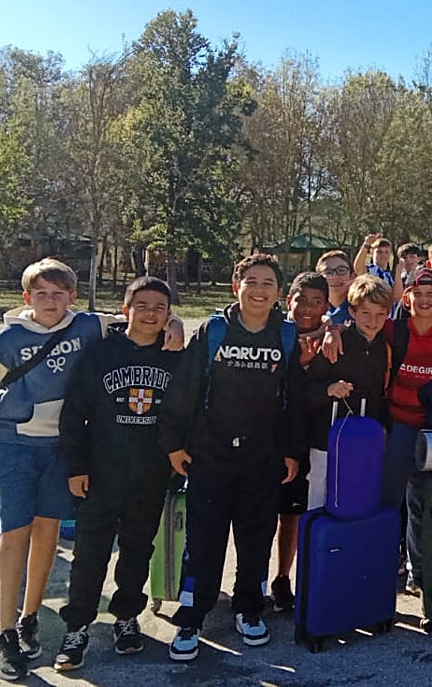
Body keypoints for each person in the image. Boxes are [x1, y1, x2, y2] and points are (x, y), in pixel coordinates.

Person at [0, 258, 184, 680]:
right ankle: (9, 629)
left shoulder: (89, 327)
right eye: (41, 294)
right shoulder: (8, 341)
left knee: (50, 531)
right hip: (18, 443)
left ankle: (31, 616)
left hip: (64, 449)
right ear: (27, 298)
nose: (51, 302)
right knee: (18, 532)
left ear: (73, 297)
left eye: (59, 294)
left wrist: (177, 322)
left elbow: (144, 311)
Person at [159, 254, 304, 661]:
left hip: (263, 458)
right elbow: (185, 389)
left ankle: (249, 608)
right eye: (251, 281)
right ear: (235, 285)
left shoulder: (286, 336)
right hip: (211, 456)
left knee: (256, 538)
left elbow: (292, 402)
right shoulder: (213, 330)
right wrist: (174, 443)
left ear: (279, 292)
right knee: (204, 539)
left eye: (268, 283)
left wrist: (291, 452)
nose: (259, 290)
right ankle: (193, 614)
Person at [52, 276, 182, 671]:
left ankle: (127, 617)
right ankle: (77, 627)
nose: (150, 314)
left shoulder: (176, 355)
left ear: (169, 314)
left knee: (138, 549)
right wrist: (76, 467)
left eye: (160, 308)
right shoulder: (101, 353)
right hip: (101, 470)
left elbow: (186, 413)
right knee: (89, 553)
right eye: (141, 305)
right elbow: (74, 413)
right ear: (125, 309)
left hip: (151, 470)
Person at [380, 267, 432, 593]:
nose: (425, 300)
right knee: (388, 501)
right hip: (397, 426)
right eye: (419, 294)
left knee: (422, 503)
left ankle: (419, 573)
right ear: (407, 297)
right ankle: (381, 566)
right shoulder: (393, 330)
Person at [303, 274, 394, 509]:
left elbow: (382, 394)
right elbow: (305, 392)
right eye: (365, 313)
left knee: (355, 499)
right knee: (319, 499)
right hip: (325, 438)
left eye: (380, 314)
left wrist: (383, 426)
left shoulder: (384, 349)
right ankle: (314, 545)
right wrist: (328, 389)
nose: (373, 321)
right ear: (352, 312)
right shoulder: (335, 341)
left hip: (363, 438)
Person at [268, 270, 329, 614]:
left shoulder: (331, 335)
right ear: (287, 300)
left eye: (316, 302)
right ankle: (251, 582)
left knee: (292, 514)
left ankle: (282, 578)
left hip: (306, 438)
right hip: (266, 435)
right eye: (301, 300)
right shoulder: (273, 330)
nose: (307, 308)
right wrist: (298, 365)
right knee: (257, 515)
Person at [316, 250, 354, 326]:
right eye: (327, 271)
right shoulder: (314, 310)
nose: (334, 277)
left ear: (352, 276)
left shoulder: (361, 309)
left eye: (341, 271)